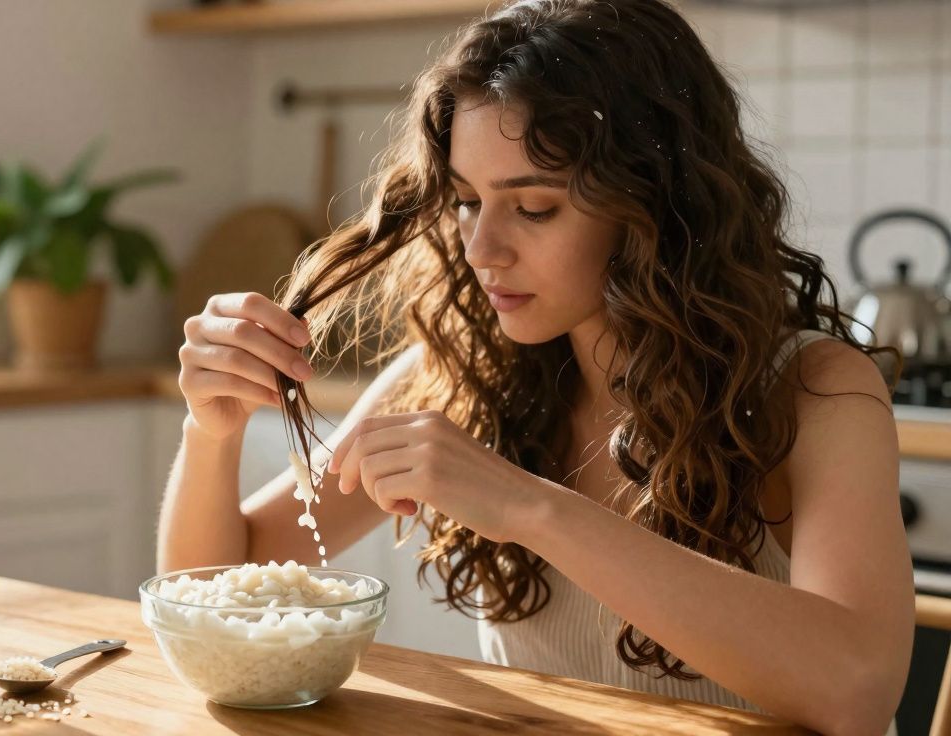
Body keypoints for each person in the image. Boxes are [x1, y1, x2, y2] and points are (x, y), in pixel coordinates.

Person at [158, 1, 912, 732]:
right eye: (464, 202)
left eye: (535, 207)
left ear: (654, 203)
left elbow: (856, 694)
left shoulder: (816, 389)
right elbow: (217, 586)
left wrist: (530, 506)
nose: (482, 249)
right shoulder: (461, 374)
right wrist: (212, 432)